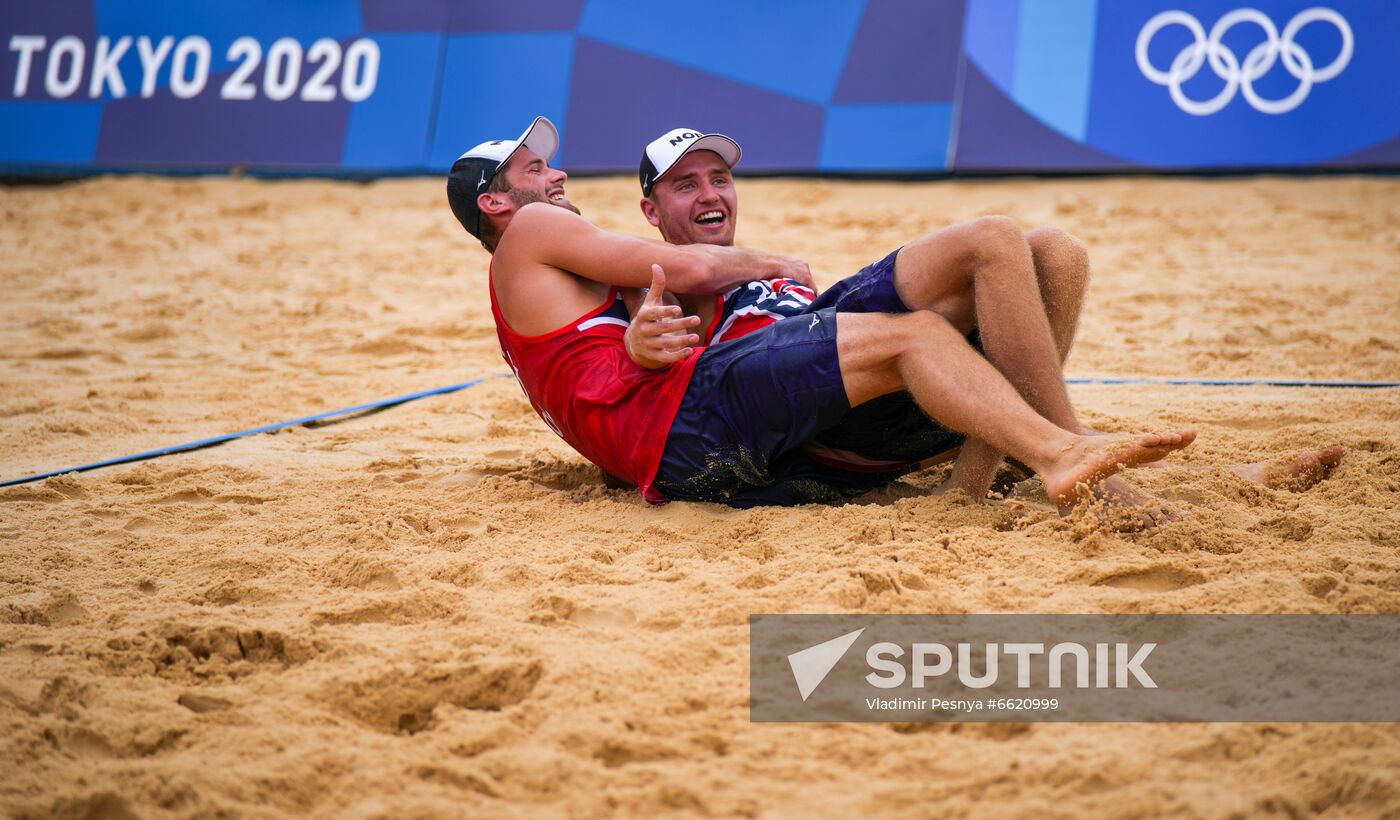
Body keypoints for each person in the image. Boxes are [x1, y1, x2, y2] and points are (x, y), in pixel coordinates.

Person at [447, 115, 1199, 512]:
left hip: (765, 406)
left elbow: (612, 369)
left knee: (1039, 249)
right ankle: (1068, 458)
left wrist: (642, 349)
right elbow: (682, 285)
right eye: (536, 168)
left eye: (719, 177)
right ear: (496, 202)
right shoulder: (544, 236)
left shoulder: (582, 283)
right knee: (918, 336)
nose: (560, 173)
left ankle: (1013, 470)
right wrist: (772, 264)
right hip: (726, 432)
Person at [624, 126, 1344, 507]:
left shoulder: (753, 268)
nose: (711, 191)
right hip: (817, 413)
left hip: (884, 386)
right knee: (993, 236)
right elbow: (650, 363)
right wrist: (645, 343)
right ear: (652, 213)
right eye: (686, 185)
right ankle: (1088, 468)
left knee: (1055, 254)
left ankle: (974, 484)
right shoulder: (661, 279)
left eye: (719, 177)